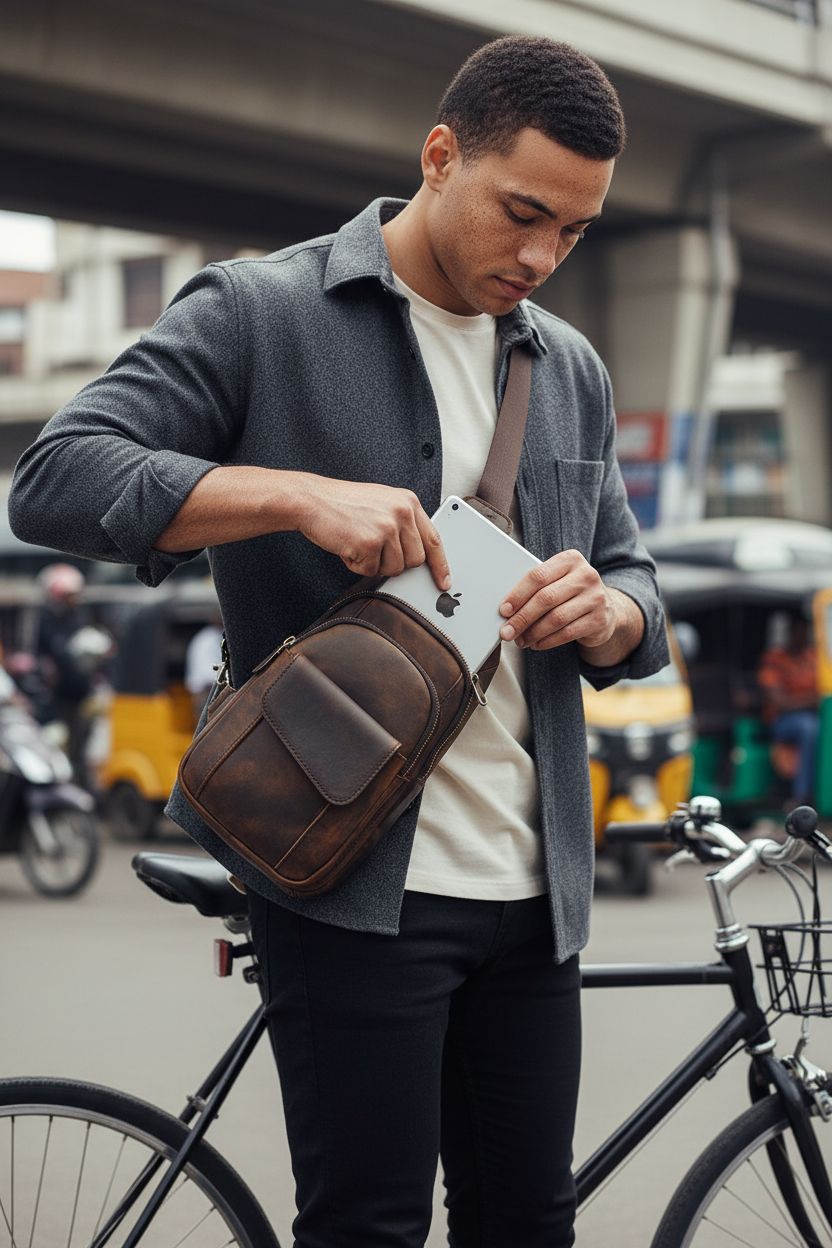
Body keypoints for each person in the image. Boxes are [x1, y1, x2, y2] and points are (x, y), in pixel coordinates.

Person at [8, 35, 669, 1247]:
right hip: (350, 881)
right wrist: (290, 494)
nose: (540, 256)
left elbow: (634, 580)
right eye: (522, 213)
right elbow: (53, 479)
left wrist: (613, 613)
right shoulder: (262, 309)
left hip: (536, 893)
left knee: (529, 1223)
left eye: (571, 233)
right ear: (438, 156)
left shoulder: (565, 364)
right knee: (365, 1227)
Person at [758, 614, 819, 807]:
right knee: (809, 728)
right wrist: (811, 701)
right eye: (797, 632)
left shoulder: (813, 658)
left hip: (813, 714)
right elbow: (779, 701)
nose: (801, 636)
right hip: (782, 721)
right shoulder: (774, 659)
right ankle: (801, 796)